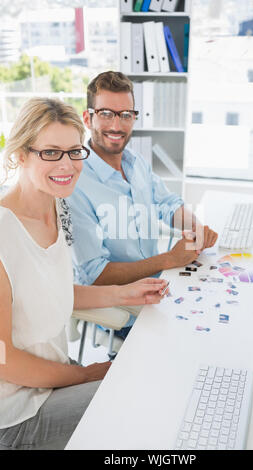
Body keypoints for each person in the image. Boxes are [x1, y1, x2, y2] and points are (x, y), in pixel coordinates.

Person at [0, 97, 168, 451]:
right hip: (16, 414)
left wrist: (126, 293)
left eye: (74, 151)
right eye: (51, 152)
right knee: (146, 408)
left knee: (154, 372)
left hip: (53, 377)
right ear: (19, 155)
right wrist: (85, 375)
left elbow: (50, 290)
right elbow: (4, 361)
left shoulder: (57, 204)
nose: (67, 165)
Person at [68, 71, 218, 337]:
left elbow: (168, 203)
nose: (117, 125)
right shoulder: (75, 185)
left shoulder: (135, 162)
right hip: (124, 311)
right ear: (87, 117)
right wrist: (169, 258)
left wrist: (196, 229)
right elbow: (95, 275)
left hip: (161, 287)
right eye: (106, 113)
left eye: (125, 115)